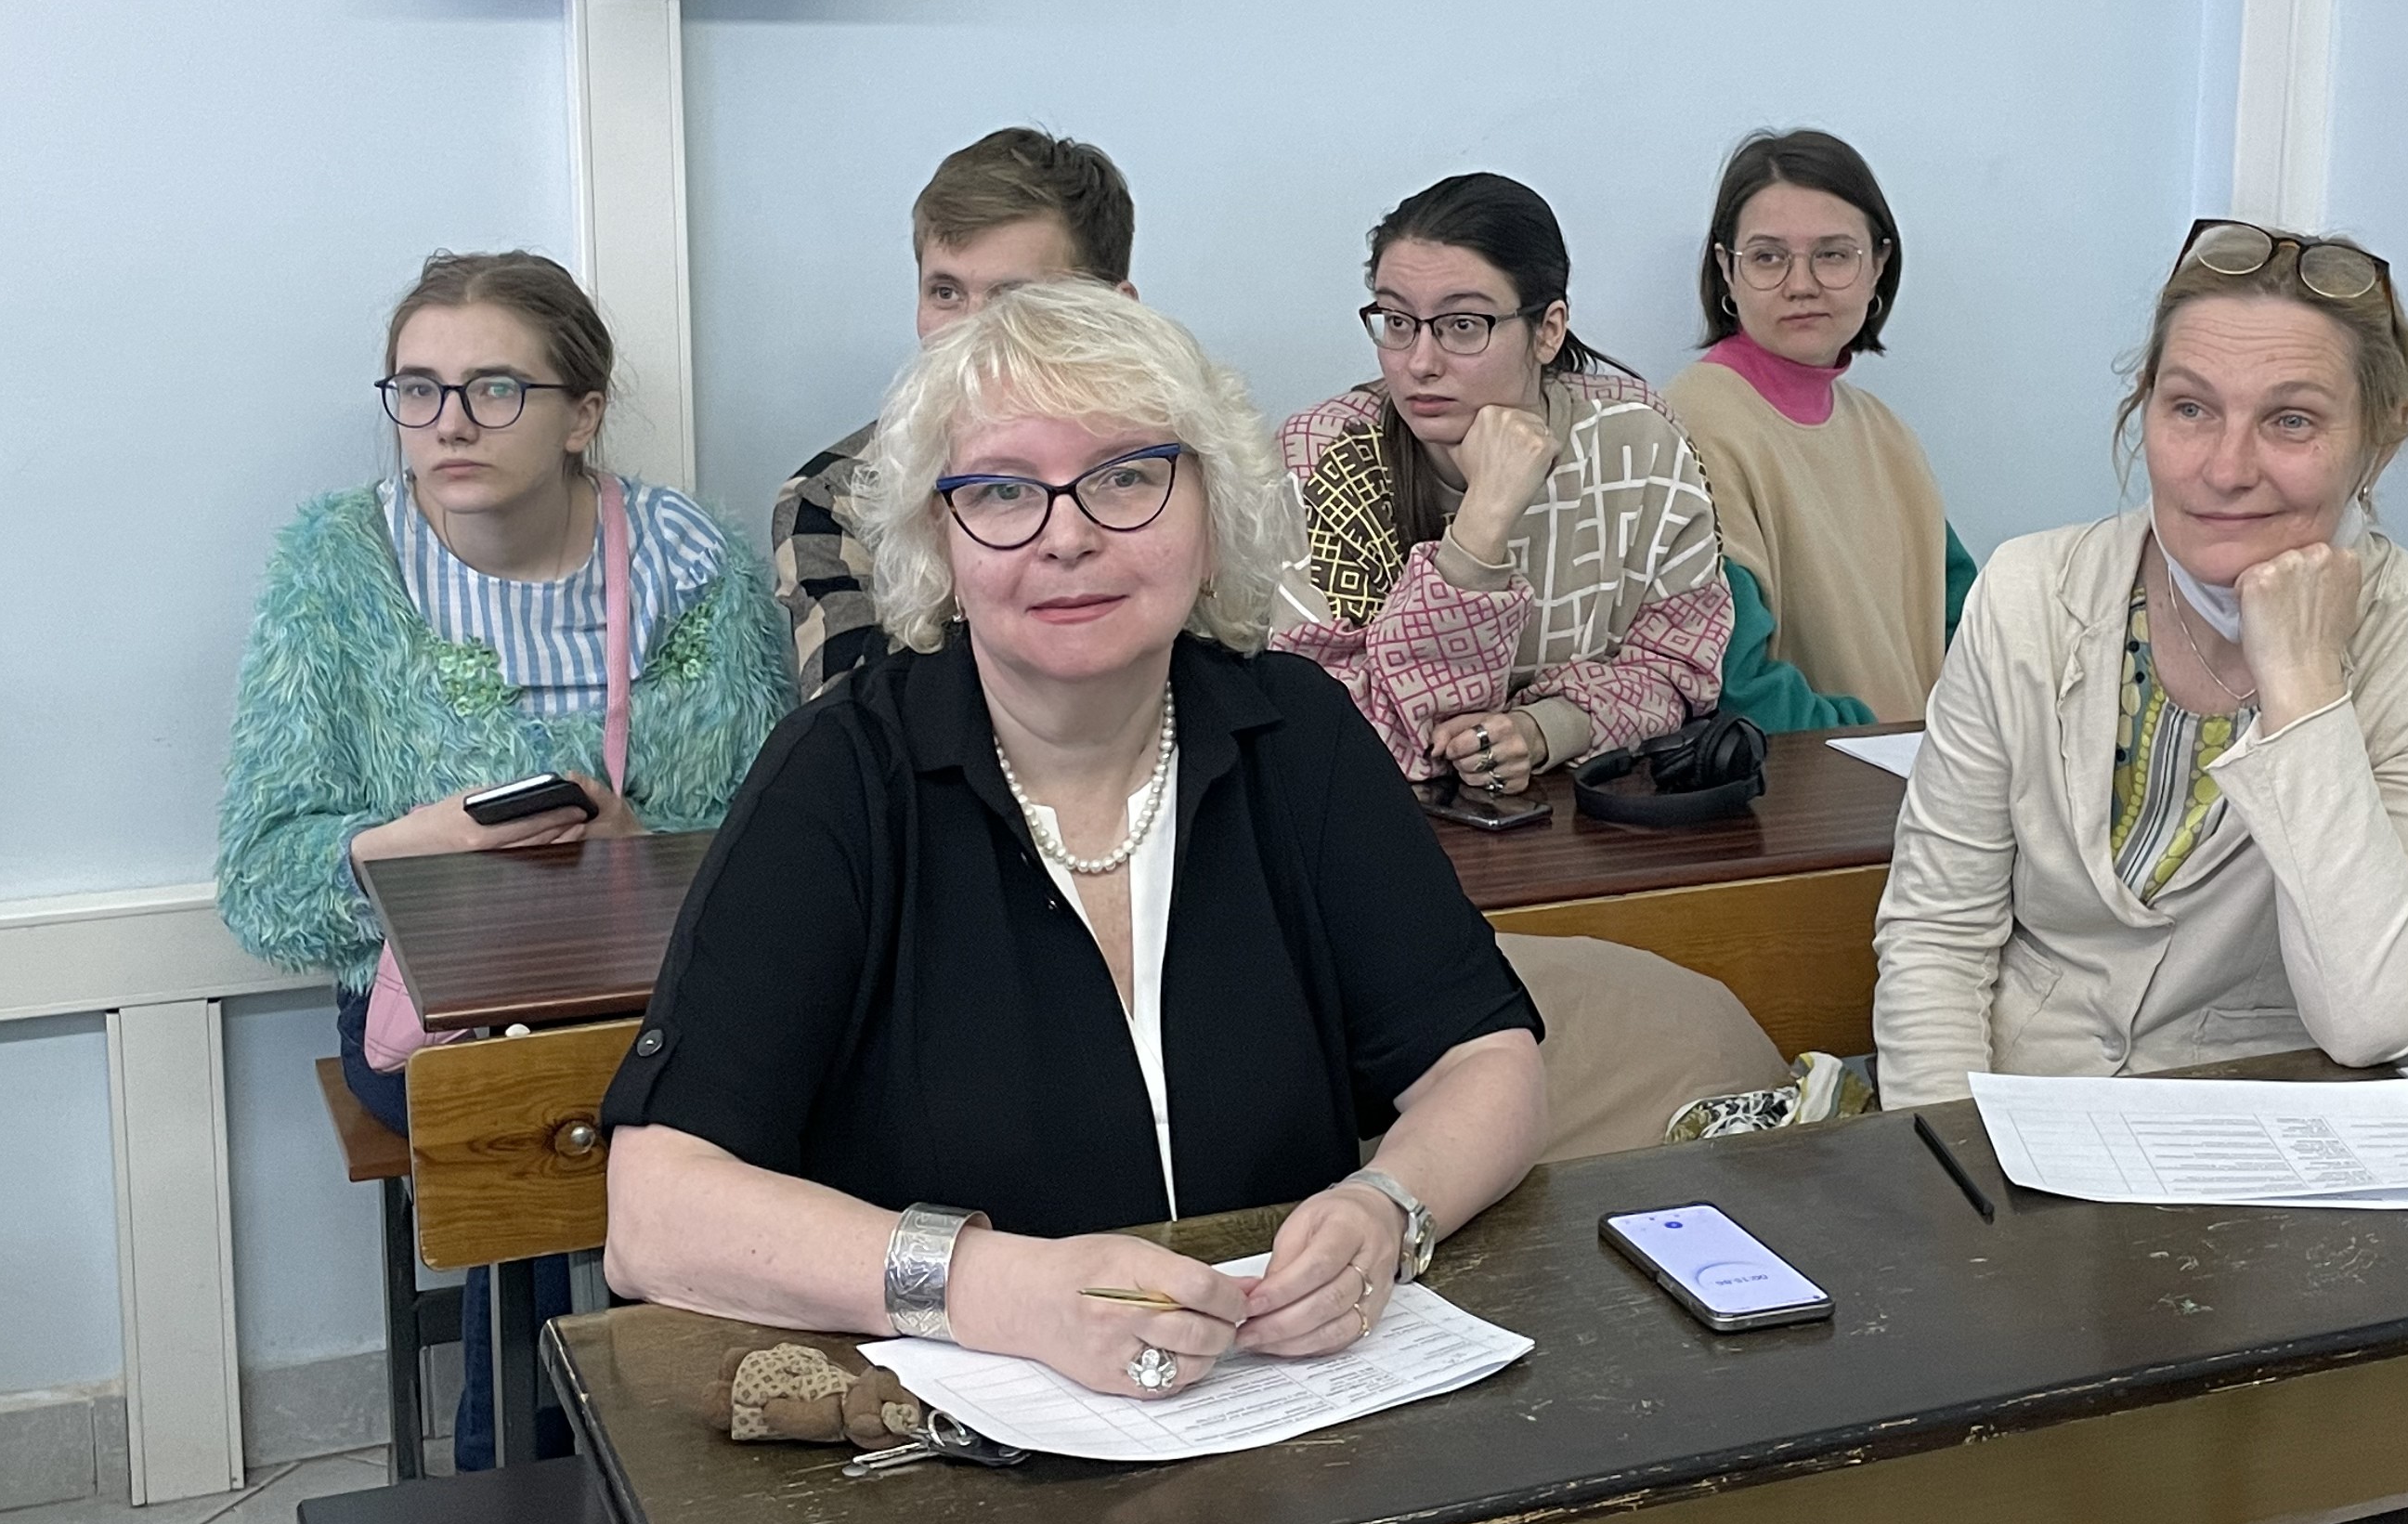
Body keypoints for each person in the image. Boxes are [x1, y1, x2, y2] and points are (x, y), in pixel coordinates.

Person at [1850, 219, 2408, 1524]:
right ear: (2138, 403)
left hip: (2258, 1187)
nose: (2226, 463)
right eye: (2188, 405)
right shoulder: (2032, 594)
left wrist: (2304, 692)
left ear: (2375, 433)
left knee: (2131, 1482)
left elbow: (2380, 1006)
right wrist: (1954, 1181)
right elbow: (1937, 928)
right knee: (1985, 1470)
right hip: (2008, 1150)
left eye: (2291, 419)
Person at [602, 280, 1549, 1414]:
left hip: (1283, 1409)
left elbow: (1485, 1062)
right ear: (940, 540)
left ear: (1213, 514)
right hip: (956, 1451)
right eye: (1002, 492)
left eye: (1127, 477)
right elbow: (656, 1213)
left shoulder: (1298, 734)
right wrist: (1004, 1289)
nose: (1067, 535)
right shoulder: (841, 775)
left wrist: (1387, 1208)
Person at [214, 250, 792, 1524]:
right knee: (540, 1178)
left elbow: (765, 840)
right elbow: (263, 879)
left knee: (627, 1183)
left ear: (582, 411)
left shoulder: (687, 564)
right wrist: (424, 842)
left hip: (662, 1012)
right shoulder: (338, 569)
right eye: (418, 388)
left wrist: (623, 837)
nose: (448, 421)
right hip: (438, 1026)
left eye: (493, 387)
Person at [1274, 172, 1729, 797]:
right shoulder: (1326, 457)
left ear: (1548, 330)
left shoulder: (1637, 441)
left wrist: (1545, 729)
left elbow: (1680, 670)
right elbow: (1331, 723)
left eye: (1463, 325)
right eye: (1398, 321)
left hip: (1589, 821)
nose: (1420, 362)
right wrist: (1480, 527)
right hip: (1373, 823)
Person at [769, 127, 1137, 697]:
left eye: (1015, 300)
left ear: (1114, 316)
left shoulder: (1174, 476)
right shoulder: (835, 497)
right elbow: (848, 725)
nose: (970, 331)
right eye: (945, 293)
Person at [1663, 129, 1975, 730]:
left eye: (1832, 254)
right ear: (1727, 269)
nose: (1801, 284)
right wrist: (1876, 741)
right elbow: (1735, 684)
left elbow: (1971, 625)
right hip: (1817, 780)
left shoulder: (1886, 433)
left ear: (1877, 264)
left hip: (1921, 765)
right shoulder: (1690, 427)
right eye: (1768, 257)